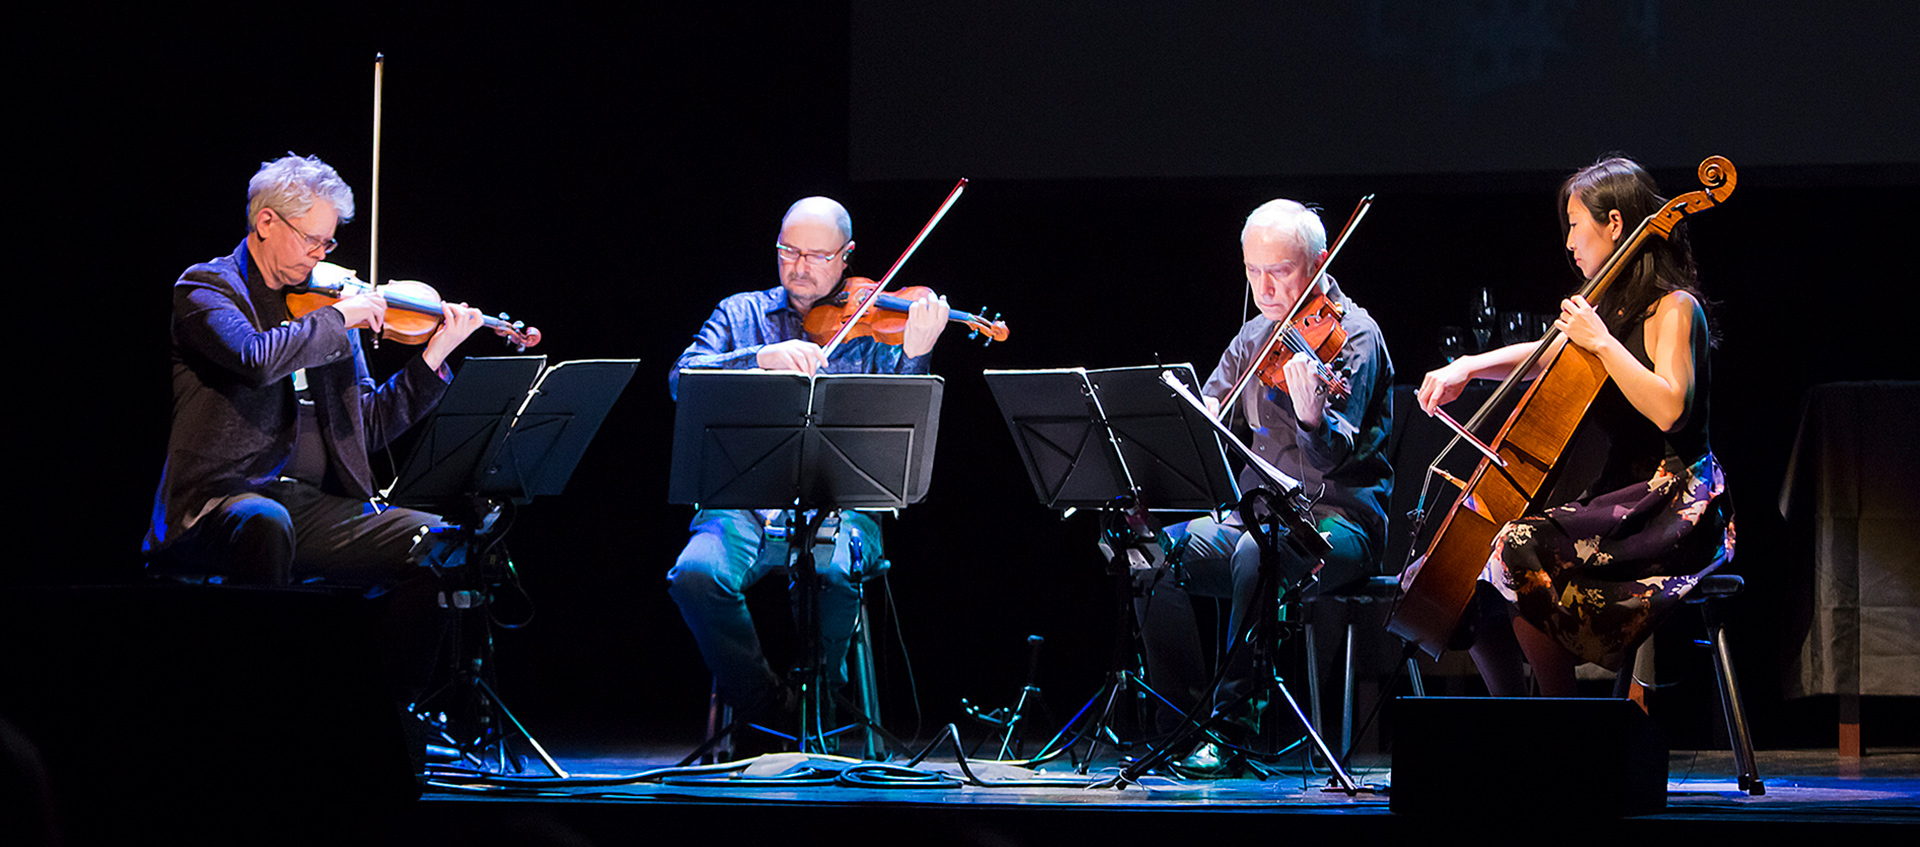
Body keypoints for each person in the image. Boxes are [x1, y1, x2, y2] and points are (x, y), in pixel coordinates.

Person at [1416, 155, 1734, 697]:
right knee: (1472, 567)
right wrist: (1465, 368)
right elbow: (1544, 356)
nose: (1568, 241)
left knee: (1517, 546)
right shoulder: (1609, 313)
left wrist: (1602, 342)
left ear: (1614, 224)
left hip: (1675, 505)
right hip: (1620, 496)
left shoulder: (1675, 309)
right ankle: (1520, 723)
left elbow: (1671, 408)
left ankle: (1563, 726)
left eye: (1575, 223)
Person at [667, 196, 950, 742]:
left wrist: (916, 354)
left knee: (836, 572)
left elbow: (900, 426)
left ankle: (820, 693)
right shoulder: (739, 314)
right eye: (788, 251)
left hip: (840, 504)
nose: (800, 267)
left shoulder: (876, 323)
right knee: (695, 575)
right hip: (742, 502)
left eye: (818, 256)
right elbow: (683, 377)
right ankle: (771, 708)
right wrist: (757, 358)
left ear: (846, 257)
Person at [144, 152, 486, 590]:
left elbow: (365, 429)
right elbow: (257, 359)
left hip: (310, 507)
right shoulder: (207, 288)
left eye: (328, 243)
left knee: (443, 545)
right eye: (312, 239)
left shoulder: (325, 303)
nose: (320, 254)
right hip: (221, 503)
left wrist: (432, 358)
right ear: (266, 222)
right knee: (266, 522)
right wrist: (340, 318)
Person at [1134, 199, 1394, 765]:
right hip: (1258, 514)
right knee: (1149, 554)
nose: (1265, 288)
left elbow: (1334, 455)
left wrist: (1310, 418)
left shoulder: (1356, 337)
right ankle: (1177, 724)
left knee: (1260, 552)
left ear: (1320, 262)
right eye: (1253, 271)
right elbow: (1205, 415)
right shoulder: (1255, 339)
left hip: (1339, 524)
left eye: (1280, 271)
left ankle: (1233, 729)